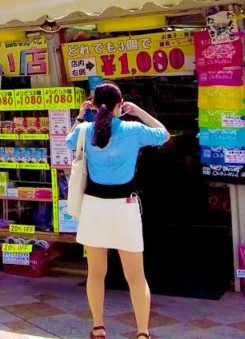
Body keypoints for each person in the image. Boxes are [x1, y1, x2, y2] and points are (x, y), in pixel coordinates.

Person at [66, 82, 169, 339]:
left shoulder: (86, 130)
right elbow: (164, 134)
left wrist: (81, 114)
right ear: (120, 103)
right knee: (135, 276)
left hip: (94, 208)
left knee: (96, 273)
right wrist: (139, 112)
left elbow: (69, 141)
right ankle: (142, 332)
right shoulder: (132, 129)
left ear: (93, 104)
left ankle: (98, 327)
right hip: (125, 207)